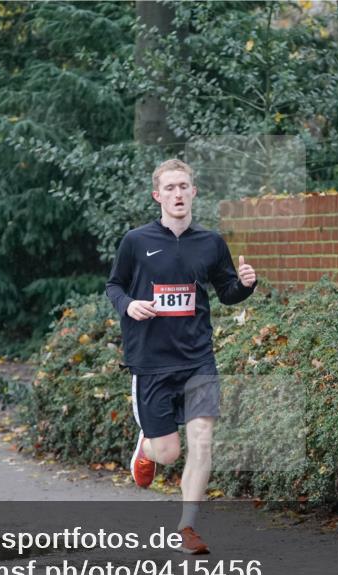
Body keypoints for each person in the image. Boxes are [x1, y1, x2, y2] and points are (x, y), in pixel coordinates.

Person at [106, 159, 257, 554]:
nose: (177, 194)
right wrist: (129, 306)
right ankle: (147, 447)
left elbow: (226, 292)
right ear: (157, 194)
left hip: (198, 359)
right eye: (170, 187)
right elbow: (114, 285)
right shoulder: (136, 241)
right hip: (152, 361)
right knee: (169, 454)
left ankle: (187, 527)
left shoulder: (210, 242)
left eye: (183, 187)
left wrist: (244, 286)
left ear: (193, 193)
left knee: (203, 440)